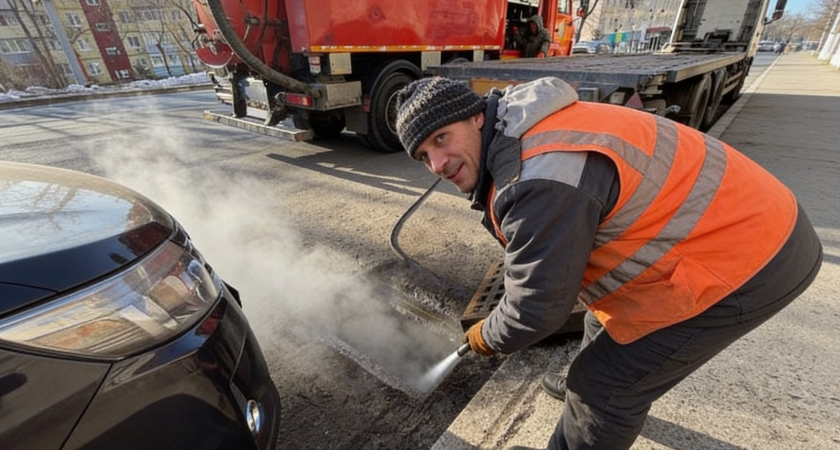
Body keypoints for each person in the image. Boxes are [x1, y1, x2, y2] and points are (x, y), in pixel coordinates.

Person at [395, 76, 823, 450]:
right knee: (601, 319)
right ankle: (582, 387)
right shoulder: (522, 123)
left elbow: (535, 310)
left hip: (750, 262)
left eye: (441, 139)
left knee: (603, 388)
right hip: (743, 225)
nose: (437, 164)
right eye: (422, 156)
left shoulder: (538, 177)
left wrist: (484, 338)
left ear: (476, 118)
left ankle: (590, 403)